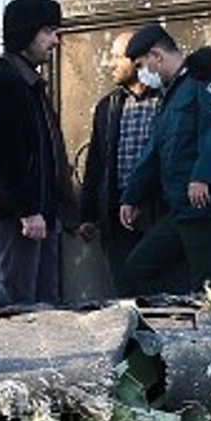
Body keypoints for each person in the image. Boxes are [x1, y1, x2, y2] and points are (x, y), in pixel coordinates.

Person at [118, 35, 211, 295]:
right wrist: (132, 197)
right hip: (181, 209)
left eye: (142, 65)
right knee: (137, 268)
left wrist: (204, 176)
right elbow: (155, 150)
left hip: (209, 208)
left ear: (157, 55)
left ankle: (209, 332)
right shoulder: (172, 94)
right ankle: (175, 322)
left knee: (209, 291)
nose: (142, 74)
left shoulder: (204, 80)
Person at [0, 0, 75, 306]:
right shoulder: (2, 84)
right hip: (15, 218)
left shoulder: (27, 83)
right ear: (25, 32)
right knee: (19, 305)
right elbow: (4, 157)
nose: (55, 40)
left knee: (43, 303)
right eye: (47, 31)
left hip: (35, 214)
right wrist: (27, 209)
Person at [83, 22, 172, 285]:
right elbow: (96, 163)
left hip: (158, 209)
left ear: (137, 60)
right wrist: (88, 216)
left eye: (117, 57)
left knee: (163, 291)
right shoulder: (108, 106)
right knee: (125, 289)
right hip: (116, 214)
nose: (110, 63)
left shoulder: (168, 98)